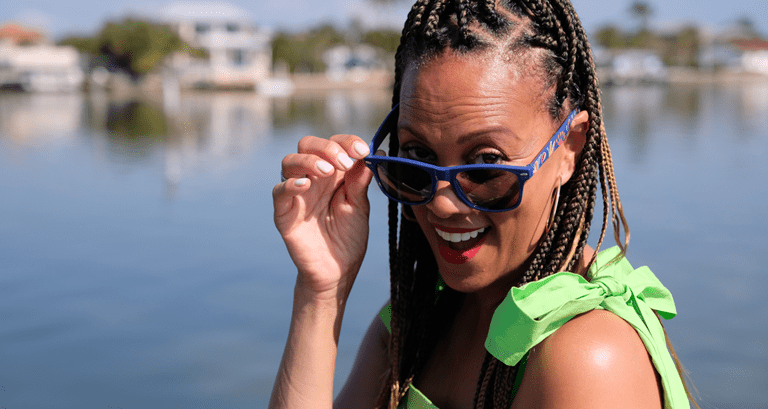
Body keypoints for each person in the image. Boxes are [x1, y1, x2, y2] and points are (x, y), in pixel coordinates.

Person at [270, 0, 698, 408]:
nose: (443, 204)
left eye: (487, 165)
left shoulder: (589, 356)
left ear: (569, 148)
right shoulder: (415, 322)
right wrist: (322, 289)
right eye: (417, 157)